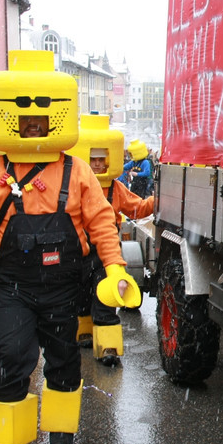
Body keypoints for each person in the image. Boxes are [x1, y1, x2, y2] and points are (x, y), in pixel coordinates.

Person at [0, 50, 139, 444]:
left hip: (63, 287)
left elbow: (102, 224)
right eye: (25, 118)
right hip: (13, 288)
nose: (33, 124)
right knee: (11, 356)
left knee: (64, 359)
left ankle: (61, 431)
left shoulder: (78, 171)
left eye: (41, 117)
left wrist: (116, 268)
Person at [72, 118, 155, 366]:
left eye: (102, 159)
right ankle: (84, 331)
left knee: (106, 298)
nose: (98, 164)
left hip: (107, 253)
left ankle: (108, 346)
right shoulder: (72, 186)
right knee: (80, 295)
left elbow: (138, 208)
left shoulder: (116, 188)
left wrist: (156, 200)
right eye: (93, 160)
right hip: (78, 251)